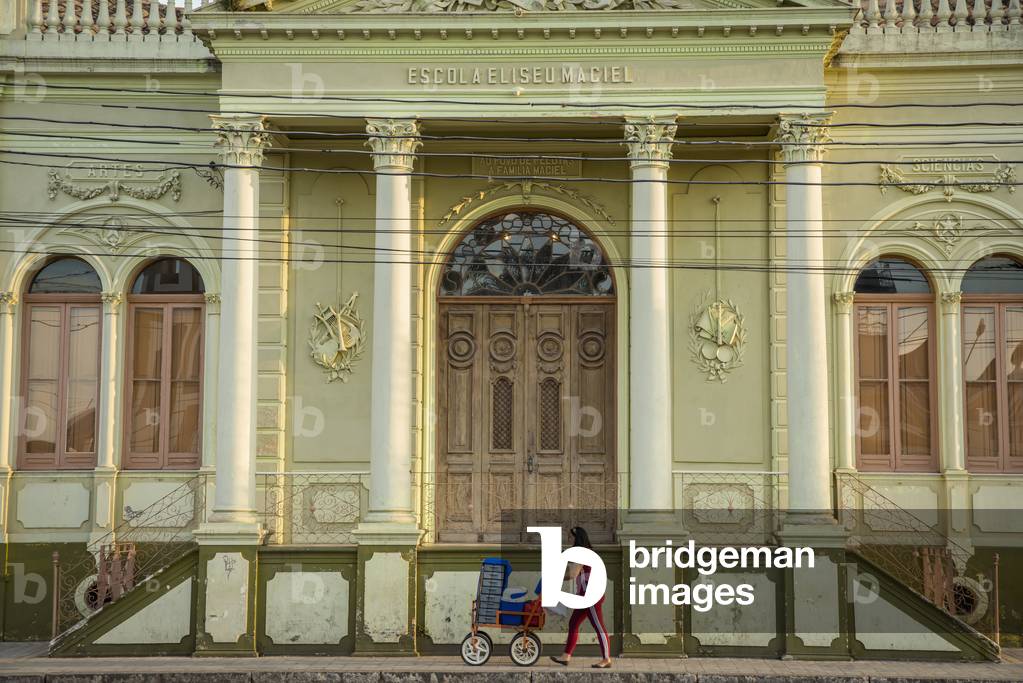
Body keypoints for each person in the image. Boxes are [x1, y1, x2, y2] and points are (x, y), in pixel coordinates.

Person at [549, 526, 611, 669]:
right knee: (573, 623)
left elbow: (572, 574)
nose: (568, 539)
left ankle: (606, 659)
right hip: (584, 595)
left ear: (577, 539)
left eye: (571, 537)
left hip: (591, 596)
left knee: (599, 626)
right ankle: (566, 656)